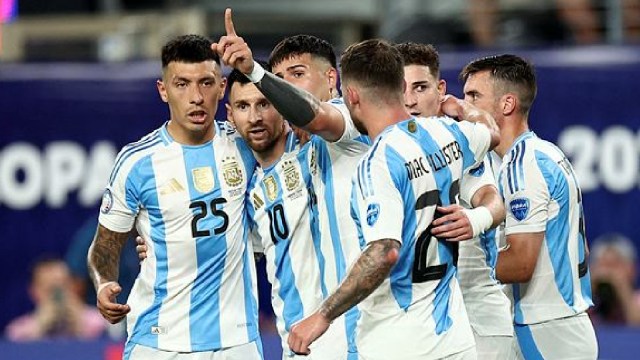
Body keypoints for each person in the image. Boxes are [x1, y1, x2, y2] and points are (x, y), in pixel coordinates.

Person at [285, 39, 501, 360]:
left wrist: (322, 316)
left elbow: (384, 252)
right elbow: (491, 131)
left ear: (352, 96)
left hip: (397, 341)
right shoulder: (447, 134)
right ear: (401, 86)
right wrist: (462, 108)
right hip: (454, 340)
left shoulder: (379, 162)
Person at [87, 34, 262, 359]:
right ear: (163, 90)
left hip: (236, 341)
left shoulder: (248, 146)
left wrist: (253, 69)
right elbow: (104, 245)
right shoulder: (137, 163)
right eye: (182, 84)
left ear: (222, 87)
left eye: (206, 83)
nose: (196, 97)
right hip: (158, 341)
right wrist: (103, 283)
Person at [460, 54, 598, 359]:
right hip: (561, 325)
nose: (463, 105)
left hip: (545, 328)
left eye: (474, 96)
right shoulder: (547, 153)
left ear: (507, 104)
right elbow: (581, 247)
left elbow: (521, 264)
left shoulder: (522, 166)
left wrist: (459, 266)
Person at [396, 42, 516, 359]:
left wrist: (473, 219)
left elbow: (493, 201)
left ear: (441, 89)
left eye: (420, 88)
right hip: (421, 321)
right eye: (402, 89)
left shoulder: (459, 137)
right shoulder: (388, 148)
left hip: (478, 316)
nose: (410, 101)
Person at [5, 257, 106, 341]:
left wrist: (80, 325)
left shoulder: (100, 322)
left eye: (64, 286)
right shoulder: (18, 332)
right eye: (50, 289)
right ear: (34, 291)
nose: (58, 296)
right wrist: (39, 328)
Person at [589, 233, 640, 325]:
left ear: (631, 269)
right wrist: (589, 290)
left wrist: (623, 291)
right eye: (603, 265)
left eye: (614, 265)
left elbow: (636, 325)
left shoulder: (637, 299)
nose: (608, 272)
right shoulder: (582, 301)